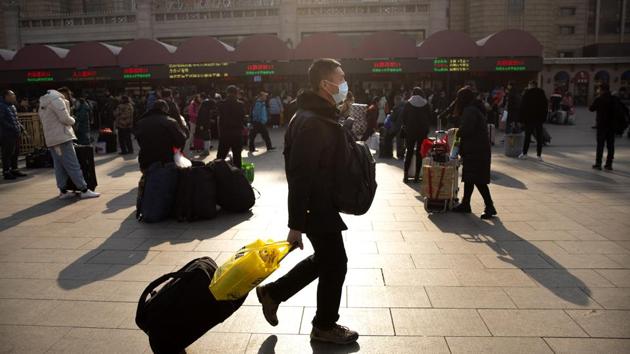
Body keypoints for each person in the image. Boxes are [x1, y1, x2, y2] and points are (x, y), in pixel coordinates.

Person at [256, 58, 359, 345]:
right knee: (336, 263)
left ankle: (273, 293)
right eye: (340, 78)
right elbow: (301, 176)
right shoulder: (312, 121)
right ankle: (324, 326)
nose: (344, 83)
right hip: (316, 205)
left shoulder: (317, 115)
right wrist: (296, 224)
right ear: (325, 84)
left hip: (321, 202)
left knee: (326, 261)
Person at [38, 87, 99, 199]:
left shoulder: (43, 102)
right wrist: (73, 120)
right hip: (62, 137)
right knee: (72, 164)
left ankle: (63, 191)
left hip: (51, 139)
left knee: (59, 165)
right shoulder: (57, 100)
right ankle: (84, 189)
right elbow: (65, 119)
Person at [451, 87, 496, 219]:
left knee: (478, 180)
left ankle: (490, 206)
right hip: (477, 149)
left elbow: (467, 130)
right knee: (470, 178)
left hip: (476, 150)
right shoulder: (474, 108)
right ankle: (466, 204)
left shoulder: (469, 111)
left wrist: (458, 132)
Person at [134, 99, 188, 172]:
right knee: (165, 181)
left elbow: (139, 139)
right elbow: (180, 141)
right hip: (165, 160)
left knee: (149, 179)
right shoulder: (170, 121)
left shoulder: (140, 122)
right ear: (164, 109)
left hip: (145, 159)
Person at [400, 87, 431, 183]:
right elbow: (430, 116)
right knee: (419, 153)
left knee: (409, 151)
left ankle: (406, 175)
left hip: (410, 131)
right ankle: (417, 176)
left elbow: (403, 117)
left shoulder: (408, 103)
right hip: (422, 131)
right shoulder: (426, 104)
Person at [217, 85, 247, 168]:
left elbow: (219, 119)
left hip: (225, 134)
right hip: (237, 134)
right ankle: (238, 176)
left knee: (220, 157)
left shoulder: (221, 104)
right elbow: (243, 118)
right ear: (236, 93)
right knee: (237, 157)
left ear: (227, 93)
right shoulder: (240, 104)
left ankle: (218, 175)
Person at [589, 83, 617, 170]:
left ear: (601, 89)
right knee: (611, 145)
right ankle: (609, 164)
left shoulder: (599, 99)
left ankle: (598, 164)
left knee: (600, 145)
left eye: (599, 89)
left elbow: (591, 108)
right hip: (612, 126)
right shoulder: (614, 99)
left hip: (601, 125)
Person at [518, 81, 548, 161]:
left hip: (529, 119)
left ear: (531, 85)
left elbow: (522, 107)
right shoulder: (541, 93)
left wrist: (521, 119)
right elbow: (545, 106)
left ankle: (524, 154)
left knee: (527, 137)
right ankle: (539, 155)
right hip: (539, 119)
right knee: (539, 137)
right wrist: (543, 118)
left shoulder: (527, 93)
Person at [0, 90, 27, 180]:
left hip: (15, 133)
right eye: (12, 95)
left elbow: (16, 119)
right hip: (6, 134)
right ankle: (6, 171)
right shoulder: (1, 106)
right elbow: (2, 120)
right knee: (7, 153)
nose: (14, 97)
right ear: (6, 96)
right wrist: (12, 127)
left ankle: (14, 169)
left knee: (15, 152)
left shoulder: (12, 106)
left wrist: (21, 127)